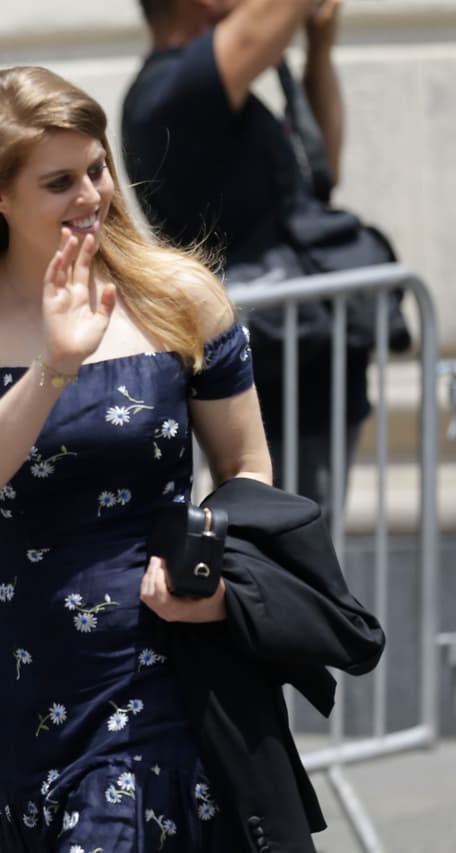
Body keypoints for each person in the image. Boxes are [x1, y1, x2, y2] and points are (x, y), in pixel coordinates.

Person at [0, 65, 273, 850]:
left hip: (171, 653)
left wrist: (212, 573)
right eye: (59, 181)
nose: (92, 194)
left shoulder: (180, 295)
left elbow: (248, 467)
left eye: (98, 168)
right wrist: (53, 366)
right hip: (30, 680)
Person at [121, 0, 381, 513]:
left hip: (304, 362)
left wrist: (321, 50)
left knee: (305, 550)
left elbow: (323, 168)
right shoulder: (172, 95)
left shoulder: (217, 98)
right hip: (268, 377)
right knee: (287, 556)